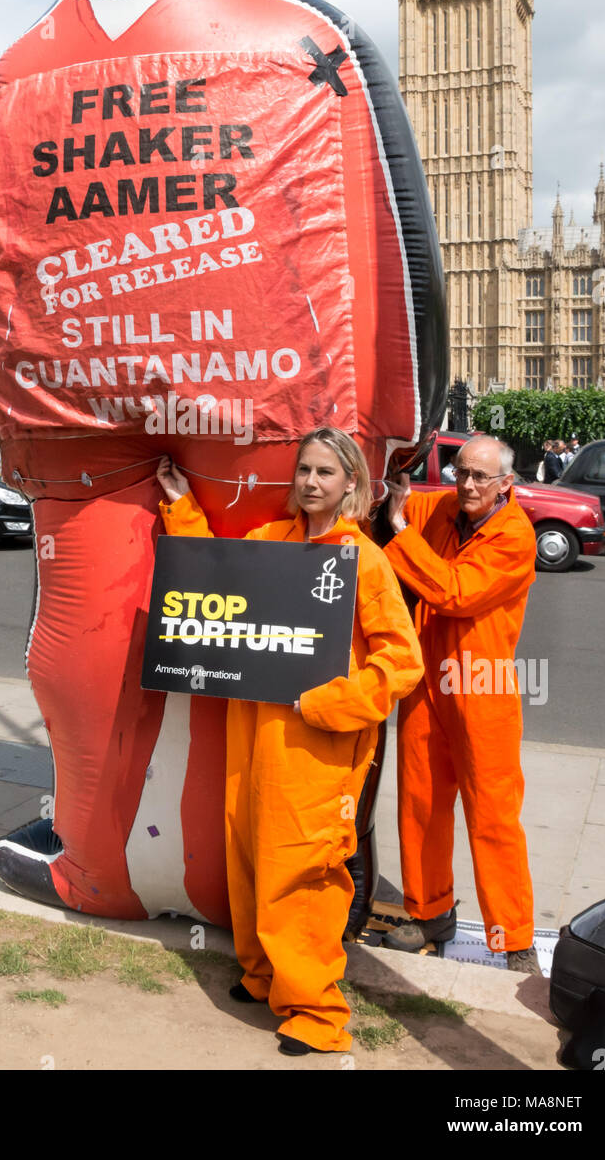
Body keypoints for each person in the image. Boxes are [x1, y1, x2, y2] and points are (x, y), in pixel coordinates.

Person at [157, 427, 424, 1054]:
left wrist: (329, 704)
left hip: (318, 748)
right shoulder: (268, 543)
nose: (310, 483)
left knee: (302, 873)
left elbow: (400, 662)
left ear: (352, 483)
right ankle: (263, 973)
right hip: (253, 735)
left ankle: (315, 1013)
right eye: (304, 470)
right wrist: (179, 505)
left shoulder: (366, 560)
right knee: (248, 857)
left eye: (325, 473)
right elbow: (214, 587)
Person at [383, 436, 541, 974]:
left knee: (492, 817)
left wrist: (403, 533)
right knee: (421, 804)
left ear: (506, 484)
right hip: (428, 681)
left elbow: (454, 592)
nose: (467, 484)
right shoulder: (448, 506)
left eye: (480, 477)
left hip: (483, 687)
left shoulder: (516, 536)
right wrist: (391, 480)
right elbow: (401, 498)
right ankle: (429, 913)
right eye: (461, 472)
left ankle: (514, 940)